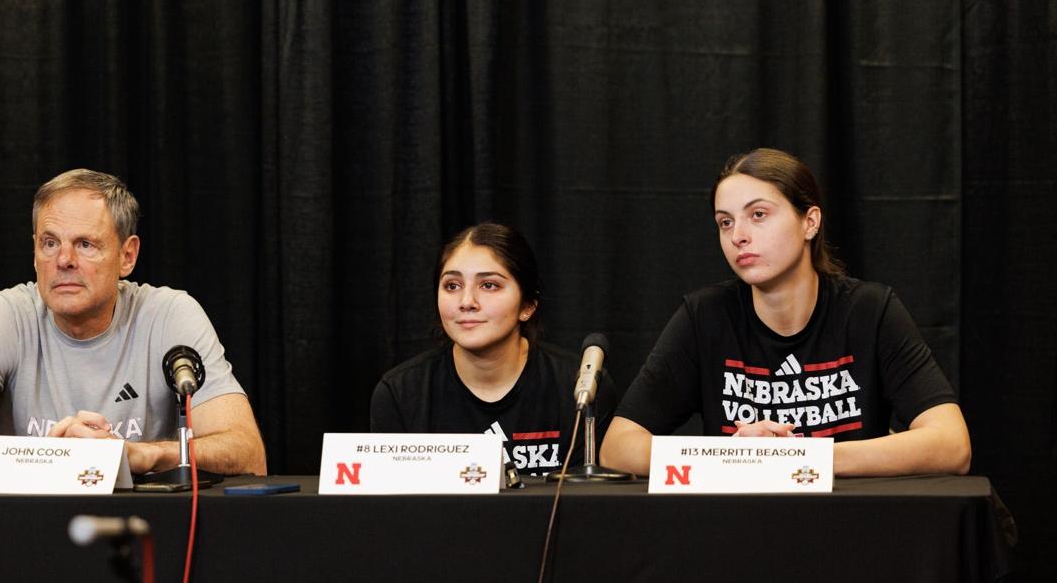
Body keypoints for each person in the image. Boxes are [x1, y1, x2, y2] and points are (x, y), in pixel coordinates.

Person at [600, 148, 971, 477]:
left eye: (758, 214)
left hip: (851, 530)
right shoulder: (705, 317)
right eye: (725, 222)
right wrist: (730, 457)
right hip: (738, 530)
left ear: (810, 221)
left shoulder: (869, 311)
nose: (738, 236)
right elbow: (618, 449)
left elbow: (952, 445)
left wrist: (802, 459)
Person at [0, 169, 266, 478]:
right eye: (50, 243)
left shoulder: (168, 315)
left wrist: (143, 455)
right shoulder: (8, 315)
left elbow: (246, 452)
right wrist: (46, 458)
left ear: (127, 255)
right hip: (27, 530)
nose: (64, 260)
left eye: (86, 244)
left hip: (144, 528)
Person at [370, 222, 618, 475]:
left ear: (528, 305)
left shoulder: (581, 388)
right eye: (452, 286)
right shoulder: (400, 394)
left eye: (489, 285)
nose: (467, 302)